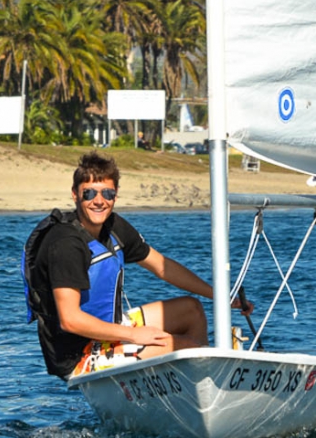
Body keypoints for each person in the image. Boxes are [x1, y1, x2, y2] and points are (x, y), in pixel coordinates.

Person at [24, 151, 252, 380]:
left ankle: (192, 392)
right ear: (75, 195)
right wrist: (133, 335)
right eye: (89, 193)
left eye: (108, 193)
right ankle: (199, 386)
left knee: (191, 310)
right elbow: (70, 319)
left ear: (116, 195)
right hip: (77, 355)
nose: (99, 201)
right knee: (185, 347)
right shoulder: (66, 244)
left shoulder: (113, 226)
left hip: (108, 329)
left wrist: (223, 297)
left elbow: (162, 267)